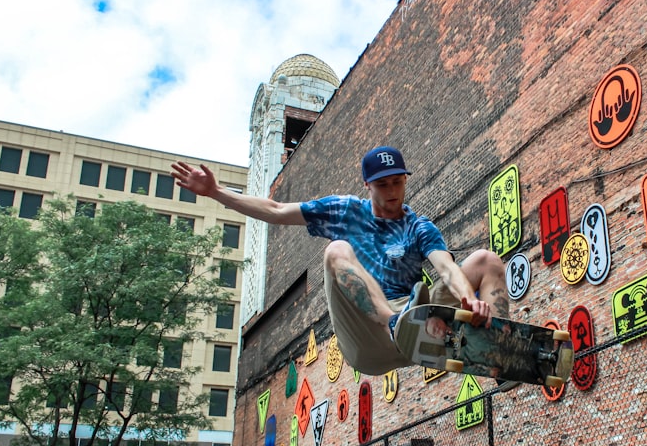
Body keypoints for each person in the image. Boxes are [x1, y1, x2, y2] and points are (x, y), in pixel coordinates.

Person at [171, 146, 508, 376]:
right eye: (383, 185)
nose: (392, 192)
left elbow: (446, 267)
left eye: (398, 183)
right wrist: (216, 193)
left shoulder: (419, 227)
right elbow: (276, 212)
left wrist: (469, 300)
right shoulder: (344, 210)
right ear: (367, 185)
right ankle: (396, 323)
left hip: (419, 325)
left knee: (485, 260)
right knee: (336, 250)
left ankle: (499, 349)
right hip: (368, 335)